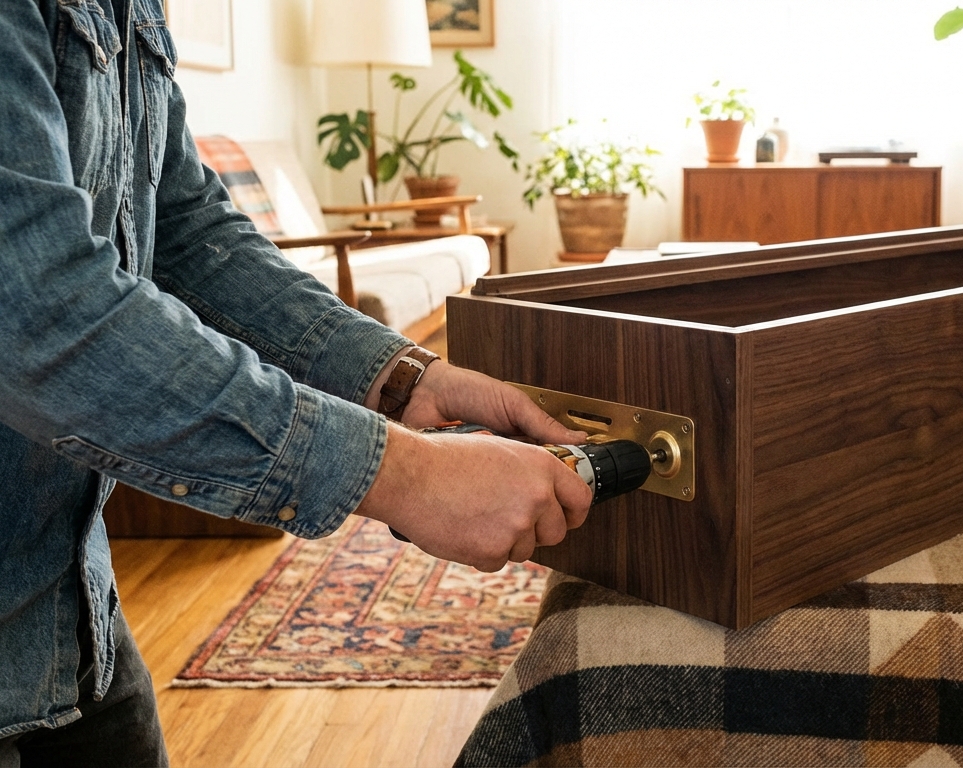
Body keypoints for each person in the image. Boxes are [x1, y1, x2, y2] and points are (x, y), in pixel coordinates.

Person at [0, 0, 593, 765]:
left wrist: (403, 376)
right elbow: (36, 310)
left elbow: (186, 230)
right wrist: (401, 472)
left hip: (70, 607)